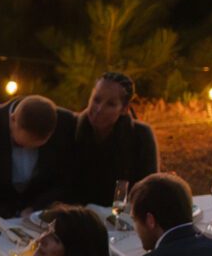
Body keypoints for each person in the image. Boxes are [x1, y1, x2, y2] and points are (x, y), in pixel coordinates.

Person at [0, 94, 75, 218]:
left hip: (40, 217)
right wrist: (9, 214)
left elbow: (66, 180)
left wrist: (37, 208)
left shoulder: (66, 124)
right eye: (20, 144)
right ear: (12, 119)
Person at [63, 72, 159, 207]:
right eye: (96, 100)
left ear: (124, 109)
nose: (99, 109)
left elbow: (148, 189)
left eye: (111, 104)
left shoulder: (141, 136)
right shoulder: (71, 129)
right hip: (75, 216)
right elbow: (60, 183)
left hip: (121, 219)